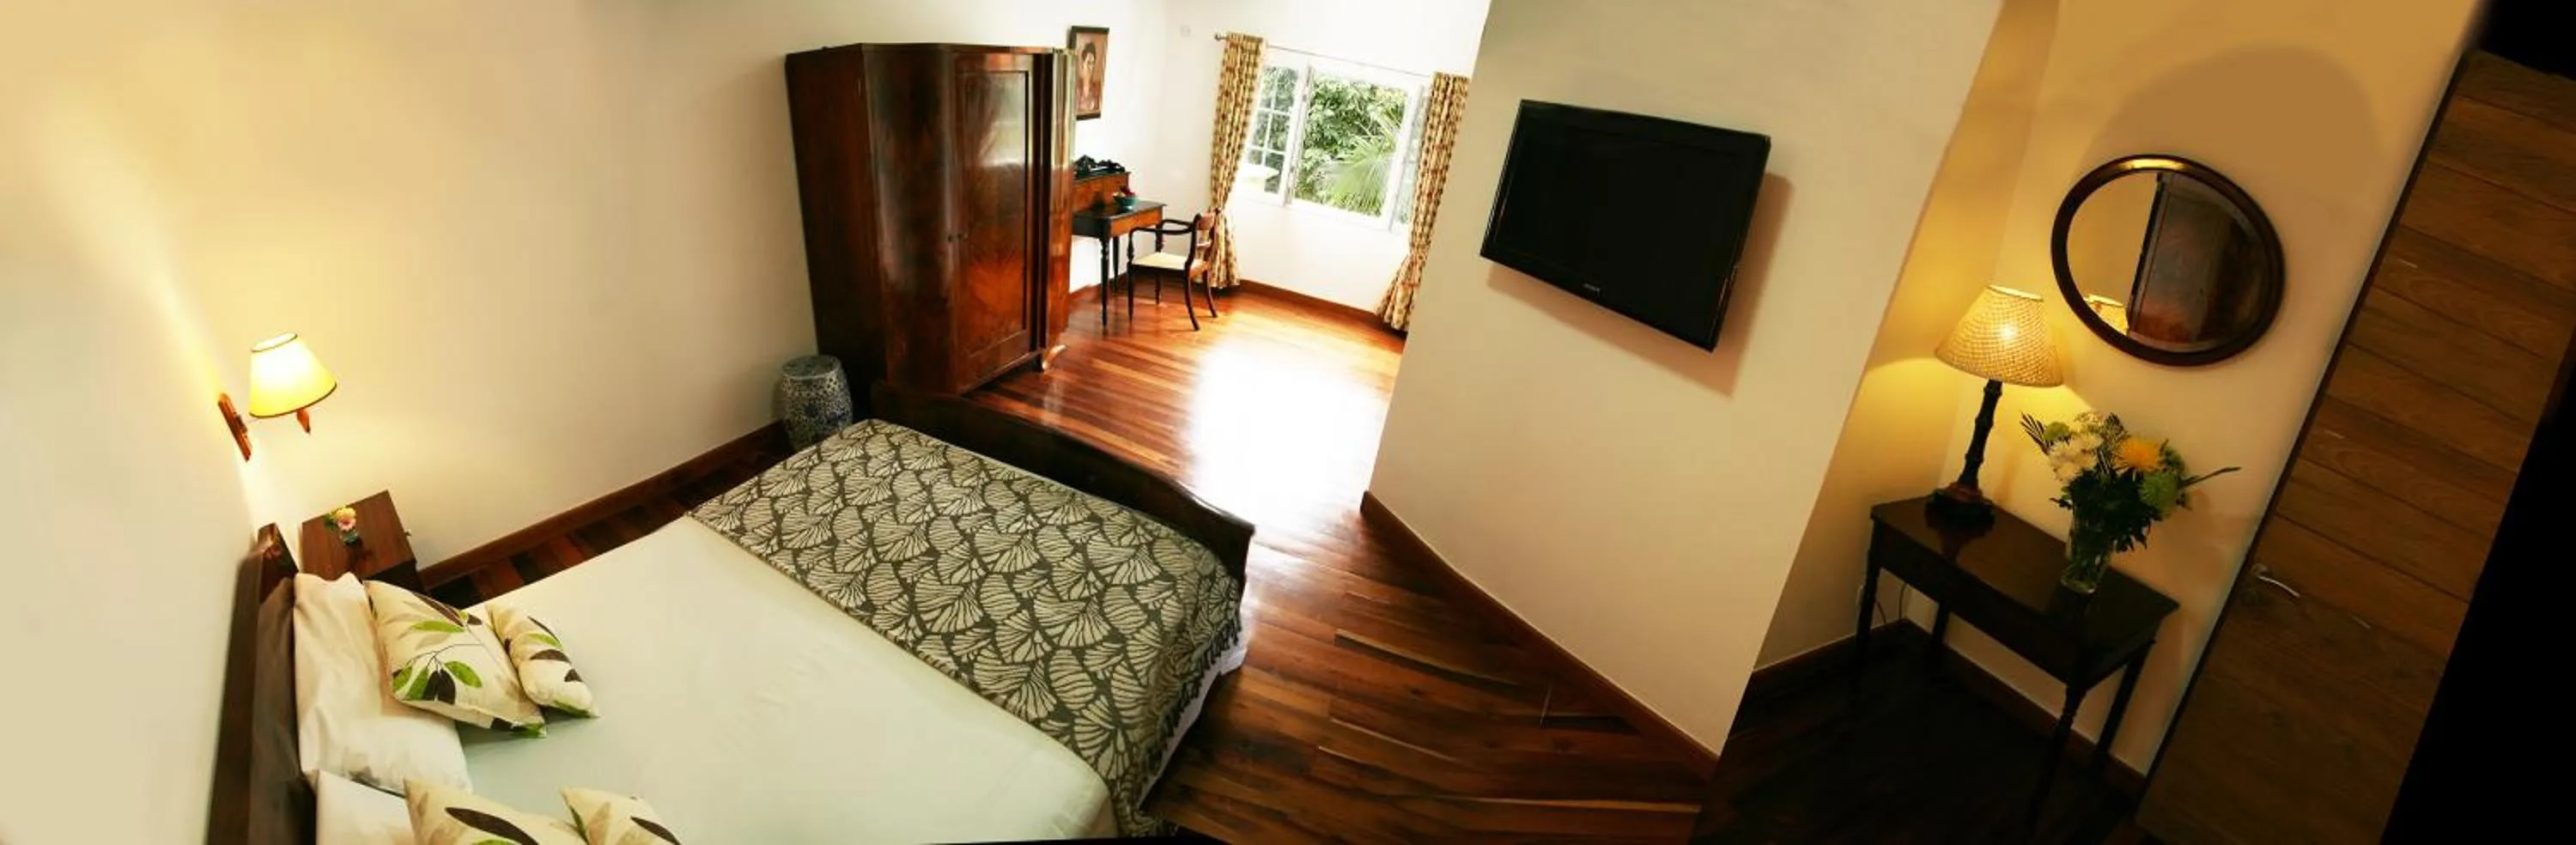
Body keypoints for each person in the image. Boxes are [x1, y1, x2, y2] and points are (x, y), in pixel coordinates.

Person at [1077, 40, 1103, 114]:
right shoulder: (1076, 85)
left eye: (1092, 63)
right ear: (1082, 63)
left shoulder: (1097, 87)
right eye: (1088, 62)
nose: (1090, 67)